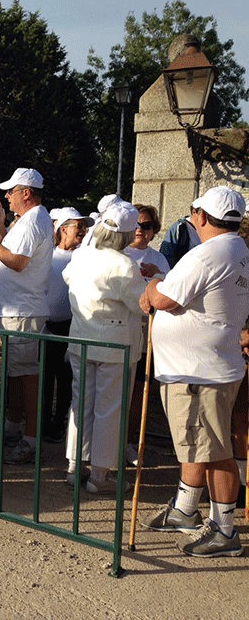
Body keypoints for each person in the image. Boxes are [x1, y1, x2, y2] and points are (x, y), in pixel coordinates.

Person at [140, 186, 248, 558]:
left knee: (215, 450)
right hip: (205, 366)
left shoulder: (207, 253)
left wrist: (152, 285)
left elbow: (164, 299)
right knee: (197, 443)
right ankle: (186, 509)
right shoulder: (237, 250)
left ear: (200, 216)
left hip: (199, 371)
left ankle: (224, 530)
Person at [62, 202, 147, 494]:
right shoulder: (124, 265)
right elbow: (141, 303)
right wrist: (155, 281)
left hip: (82, 339)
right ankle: (99, 475)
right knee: (109, 408)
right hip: (114, 345)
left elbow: (68, 278)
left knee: (81, 402)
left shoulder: (83, 255)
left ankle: (75, 465)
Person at [0, 168, 53, 465]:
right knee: (16, 374)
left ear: (26, 193)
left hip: (22, 311)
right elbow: (14, 252)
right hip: (14, 309)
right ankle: (13, 428)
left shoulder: (35, 218)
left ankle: (30, 440)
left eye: (11, 191)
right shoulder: (29, 220)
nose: (7, 196)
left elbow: (18, 261)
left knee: (26, 376)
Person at [123, 204, 170, 462]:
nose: (141, 230)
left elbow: (173, 291)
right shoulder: (120, 253)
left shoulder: (159, 258)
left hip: (149, 334)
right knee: (118, 391)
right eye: (137, 224)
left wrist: (158, 275)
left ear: (154, 231)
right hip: (123, 329)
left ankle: (130, 442)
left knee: (140, 391)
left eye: (147, 225)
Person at [42, 207, 92, 443]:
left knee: (66, 379)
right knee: (44, 378)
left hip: (72, 327)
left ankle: (59, 421)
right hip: (47, 327)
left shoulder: (85, 257)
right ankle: (41, 422)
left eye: (84, 226)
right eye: (78, 225)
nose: (83, 230)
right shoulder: (47, 256)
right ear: (63, 229)